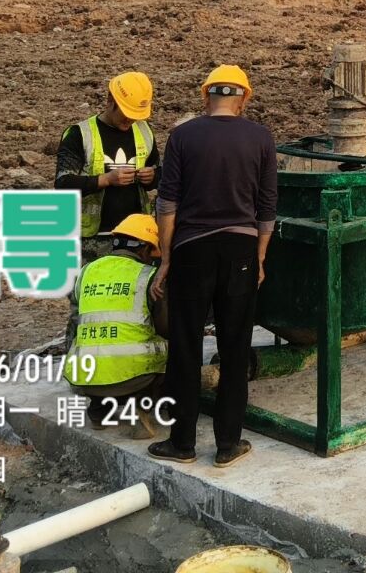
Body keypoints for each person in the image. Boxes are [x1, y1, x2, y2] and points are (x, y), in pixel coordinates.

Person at [147, 64, 277, 468]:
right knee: (234, 346)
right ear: (244, 99)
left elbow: (167, 204)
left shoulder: (183, 136)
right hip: (240, 250)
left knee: (185, 346)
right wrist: (259, 256)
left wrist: (167, 258)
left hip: (191, 250)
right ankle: (228, 444)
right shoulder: (261, 138)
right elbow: (267, 207)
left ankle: (182, 443)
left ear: (206, 96)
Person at [64, 214, 168, 437]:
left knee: (96, 347)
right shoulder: (149, 276)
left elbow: (74, 322)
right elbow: (165, 327)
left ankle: (98, 410)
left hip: (84, 378)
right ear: (145, 249)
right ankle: (142, 405)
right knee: (171, 347)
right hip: (135, 379)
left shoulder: (86, 272)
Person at [56, 71, 160, 249]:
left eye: (135, 115)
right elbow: (63, 183)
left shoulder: (144, 131)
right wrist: (106, 179)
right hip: (90, 241)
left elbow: (162, 174)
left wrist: (152, 177)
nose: (130, 119)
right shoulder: (80, 134)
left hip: (134, 237)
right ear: (110, 100)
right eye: (126, 112)